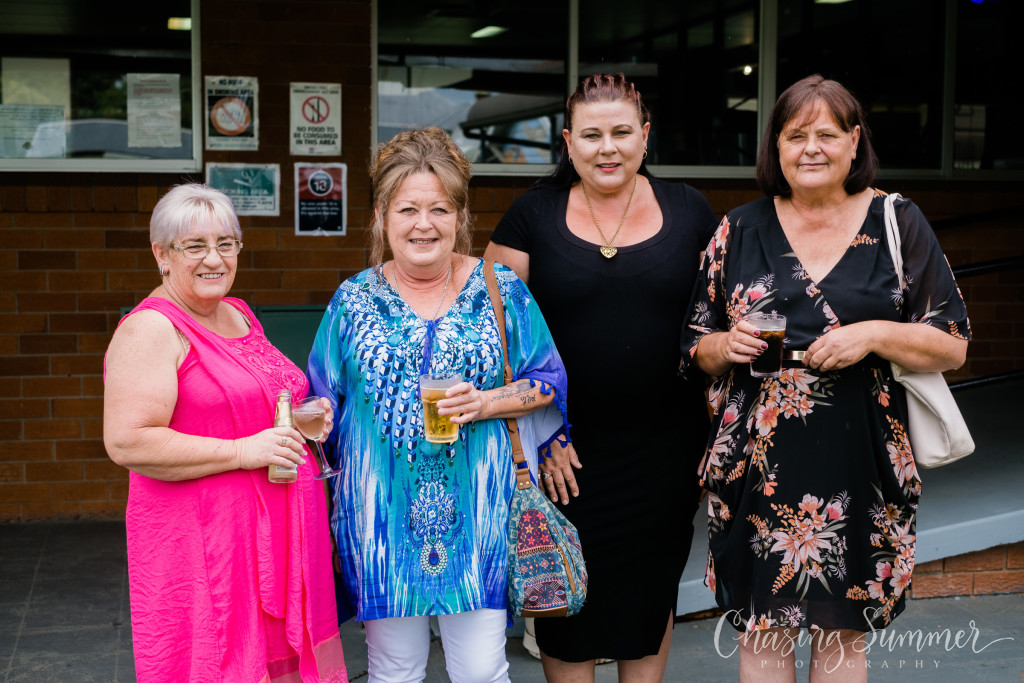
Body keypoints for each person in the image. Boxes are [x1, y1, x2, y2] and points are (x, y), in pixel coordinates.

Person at [680, 75, 971, 680]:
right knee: (763, 630)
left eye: (827, 135)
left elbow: (952, 344)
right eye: (796, 136)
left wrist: (874, 334)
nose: (811, 148)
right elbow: (694, 348)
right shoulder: (738, 229)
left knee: (842, 636)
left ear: (854, 141)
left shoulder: (897, 221)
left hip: (860, 463)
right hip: (757, 467)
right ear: (776, 146)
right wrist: (724, 345)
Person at [306, 127, 570, 683]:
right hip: (381, 521)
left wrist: (488, 401)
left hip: (479, 516)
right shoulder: (352, 300)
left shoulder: (500, 289)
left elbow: (547, 381)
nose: (423, 224)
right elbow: (321, 395)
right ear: (382, 216)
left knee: (481, 670)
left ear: (460, 217)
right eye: (407, 209)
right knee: (394, 670)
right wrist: (314, 416)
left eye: (439, 209)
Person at [485, 72, 719, 681]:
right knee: (567, 609)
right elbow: (492, 342)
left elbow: (718, 326)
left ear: (646, 135)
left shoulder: (690, 210)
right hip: (563, 452)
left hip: (666, 451)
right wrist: (537, 436)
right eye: (591, 135)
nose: (607, 148)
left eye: (621, 132)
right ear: (568, 141)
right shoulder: (532, 215)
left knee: (649, 594)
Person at [102, 184, 347, 683]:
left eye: (226, 244)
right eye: (195, 246)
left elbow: (244, 405)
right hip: (208, 546)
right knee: (223, 663)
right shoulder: (150, 329)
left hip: (274, 538)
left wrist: (299, 419)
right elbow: (128, 440)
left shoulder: (236, 312)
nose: (214, 259)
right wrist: (243, 451)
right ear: (161, 254)